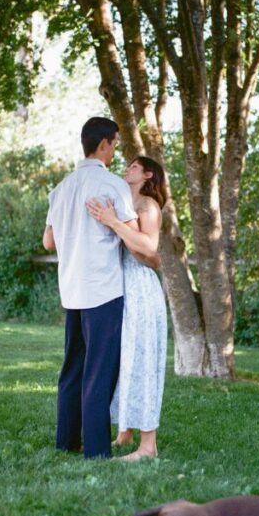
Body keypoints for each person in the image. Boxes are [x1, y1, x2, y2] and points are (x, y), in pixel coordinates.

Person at [43, 117, 139, 459]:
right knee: (99, 372)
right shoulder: (112, 186)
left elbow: (48, 242)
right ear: (103, 144)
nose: (115, 150)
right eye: (114, 144)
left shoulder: (61, 188)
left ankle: (66, 441)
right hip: (103, 290)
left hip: (72, 291)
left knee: (72, 369)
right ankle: (97, 451)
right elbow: (133, 238)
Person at [86, 156, 168, 462]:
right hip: (120, 286)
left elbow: (149, 248)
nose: (127, 168)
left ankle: (148, 446)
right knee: (123, 358)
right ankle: (125, 432)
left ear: (147, 174)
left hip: (142, 287)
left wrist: (112, 221)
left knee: (142, 359)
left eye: (134, 166)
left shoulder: (148, 205)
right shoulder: (122, 200)